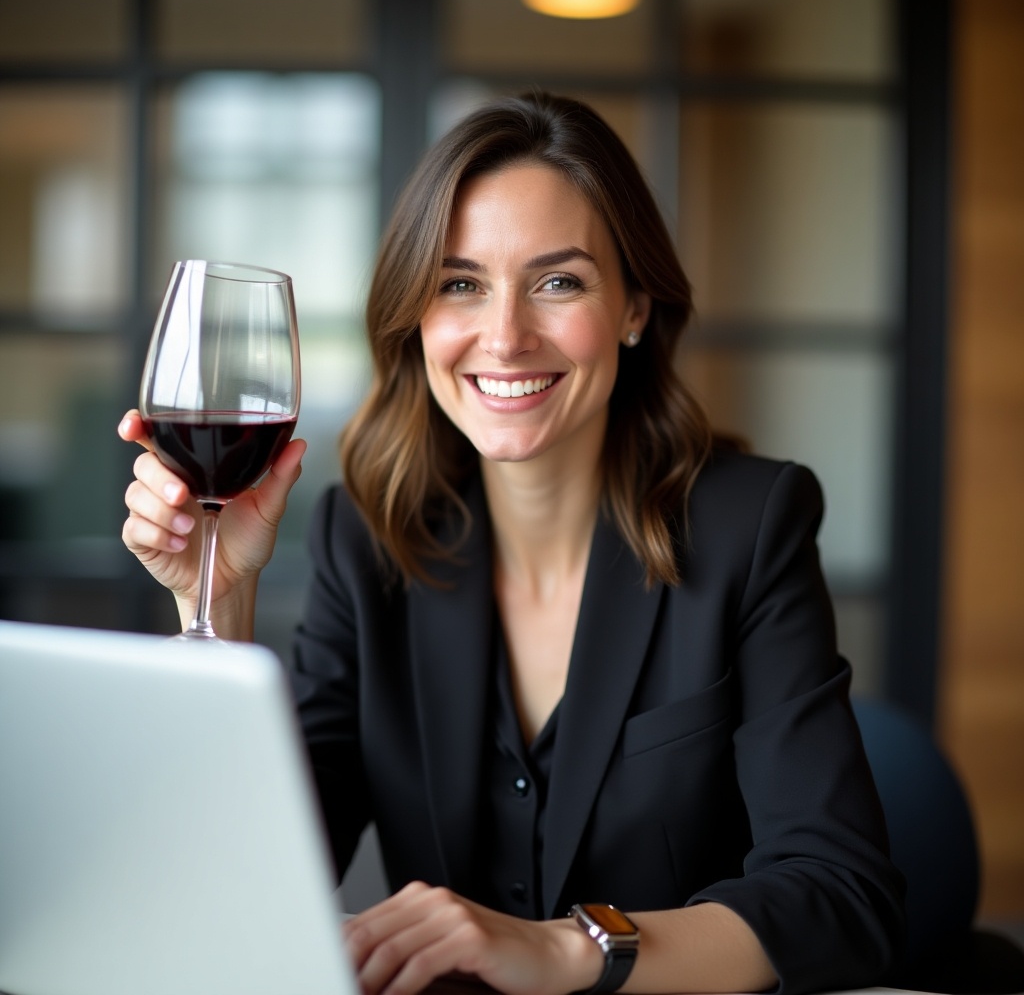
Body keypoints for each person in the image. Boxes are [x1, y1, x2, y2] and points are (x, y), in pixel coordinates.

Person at [120, 91, 905, 995]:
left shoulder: (749, 527)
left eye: (559, 281)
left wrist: (568, 947)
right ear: (416, 318)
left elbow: (843, 897)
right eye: (461, 284)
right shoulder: (366, 537)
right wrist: (216, 607)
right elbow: (253, 878)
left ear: (636, 306)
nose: (504, 336)